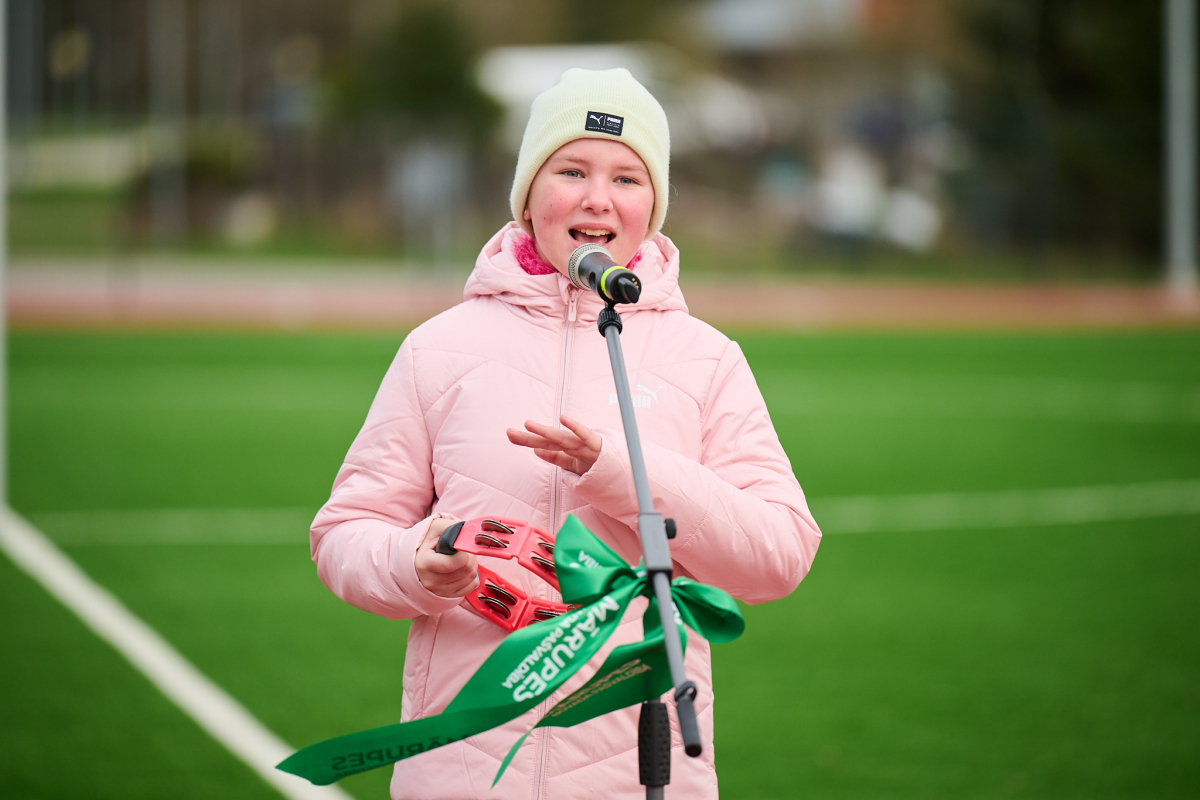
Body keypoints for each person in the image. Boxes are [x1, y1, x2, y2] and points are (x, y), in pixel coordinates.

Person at [311, 67, 821, 800]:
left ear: (654, 204)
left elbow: (780, 555)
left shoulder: (708, 360)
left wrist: (620, 471)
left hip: (643, 773)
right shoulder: (436, 348)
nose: (597, 198)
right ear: (529, 192)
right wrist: (409, 562)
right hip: (464, 768)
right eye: (571, 169)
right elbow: (344, 533)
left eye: (627, 178)